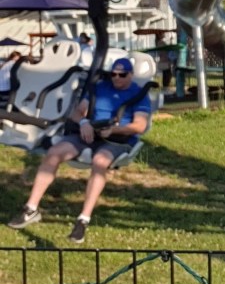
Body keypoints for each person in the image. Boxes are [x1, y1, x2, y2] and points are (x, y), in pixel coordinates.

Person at [7, 57, 151, 244]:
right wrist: (83, 122)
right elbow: (78, 111)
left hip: (117, 139)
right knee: (53, 153)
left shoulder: (139, 94)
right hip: (89, 134)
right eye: (113, 74)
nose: (117, 78)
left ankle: (83, 219)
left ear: (131, 75)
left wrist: (114, 130)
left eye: (122, 75)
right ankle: (31, 208)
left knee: (100, 161)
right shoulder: (100, 87)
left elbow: (140, 126)